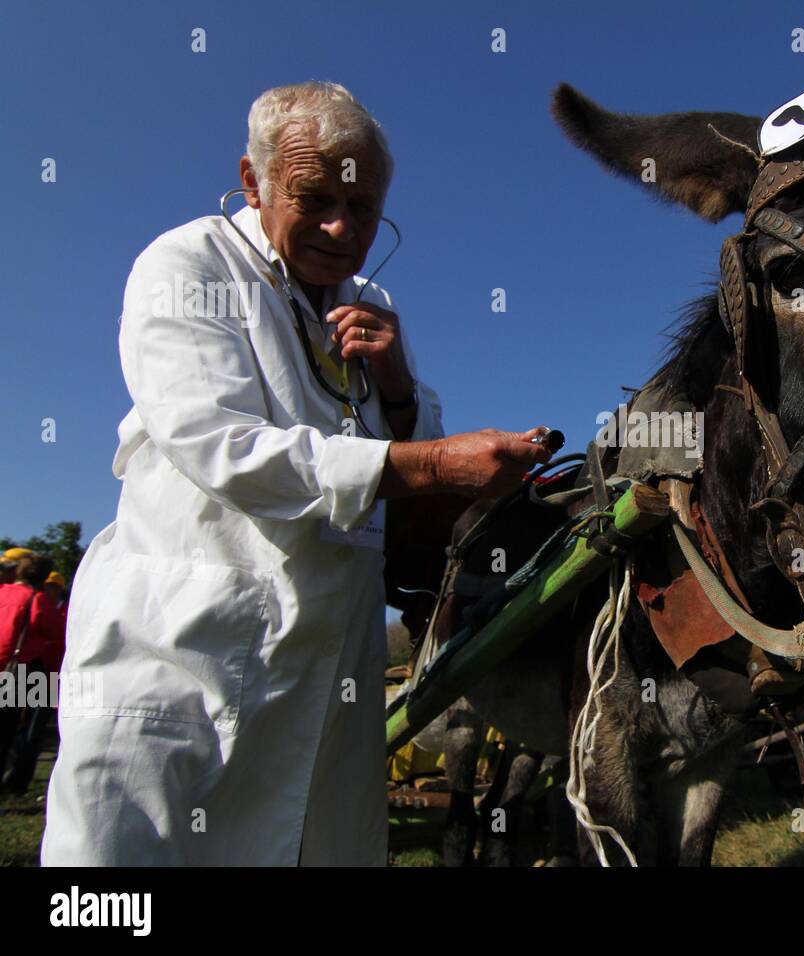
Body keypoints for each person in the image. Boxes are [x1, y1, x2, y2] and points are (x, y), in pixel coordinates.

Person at [41, 82, 553, 866]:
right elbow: (216, 441)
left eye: (364, 210)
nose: (341, 229)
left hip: (329, 673)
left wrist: (401, 390)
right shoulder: (189, 264)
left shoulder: (371, 303)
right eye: (313, 199)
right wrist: (431, 461)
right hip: (185, 651)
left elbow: (409, 471)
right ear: (254, 181)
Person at [0, 553, 63, 791]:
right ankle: (13, 783)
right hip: (21, 669)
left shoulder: (2, 591)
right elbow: (57, 633)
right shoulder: (37, 599)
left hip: (3, 664)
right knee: (16, 730)